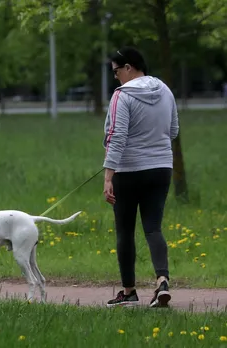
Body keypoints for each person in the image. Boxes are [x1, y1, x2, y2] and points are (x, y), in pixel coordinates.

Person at [102, 46, 179, 308]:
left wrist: (108, 176)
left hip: (128, 171)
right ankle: (162, 280)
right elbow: (174, 130)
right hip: (161, 168)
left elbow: (116, 136)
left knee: (125, 231)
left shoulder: (121, 96)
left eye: (116, 71)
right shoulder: (165, 90)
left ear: (128, 68)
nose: (115, 77)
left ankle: (129, 292)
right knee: (153, 227)